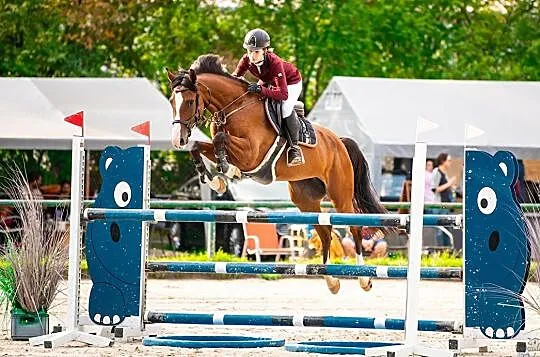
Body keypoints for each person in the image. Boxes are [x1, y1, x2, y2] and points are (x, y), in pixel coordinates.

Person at [232, 28, 304, 167]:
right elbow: (235, 77)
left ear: (265, 50)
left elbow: (283, 94)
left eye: (256, 52)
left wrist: (260, 89)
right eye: (249, 51)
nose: (252, 56)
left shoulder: (275, 63)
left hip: (291, 83)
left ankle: (294, 148)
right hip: (269, 80)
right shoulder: (246, 59)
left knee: (284, 108)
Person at [431, 153, 456, 246]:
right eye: (448, 160)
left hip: (446, 205)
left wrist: (451, 186)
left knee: (447, 228)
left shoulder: (445, 173)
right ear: (443, 161)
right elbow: (434, 189)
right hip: (439, 205)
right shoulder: (436, 171)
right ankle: (440, 250)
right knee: (440, 230)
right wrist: (449, 183)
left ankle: (447, 250)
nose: (450, 163)